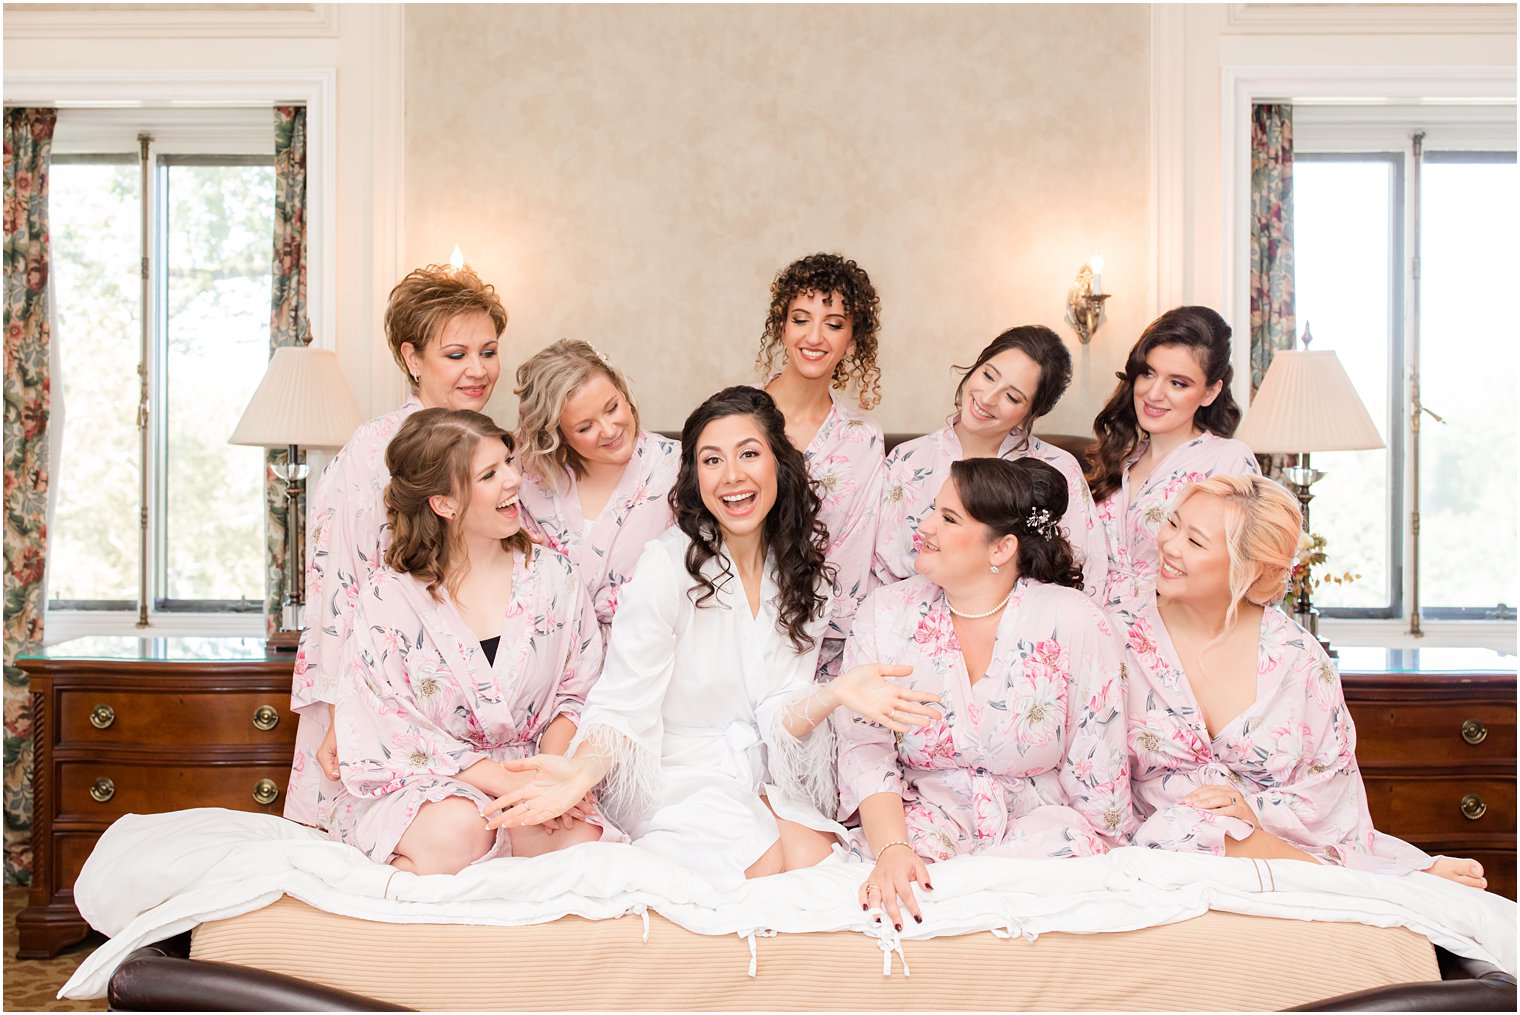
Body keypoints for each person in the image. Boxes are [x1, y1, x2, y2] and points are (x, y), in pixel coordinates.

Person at [482, 387, 938, 891]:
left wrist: (833, 694)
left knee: (818, 863)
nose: (733, 476)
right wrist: (579, 771)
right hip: (673, 771)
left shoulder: (806, 575)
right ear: (696, 478)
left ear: (778, 465)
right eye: (712, 460)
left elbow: (779, 711)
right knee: (757, 860)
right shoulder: (666, 565)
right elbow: (623, 702)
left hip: (756, 772)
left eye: (749, 454)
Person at [1115, 475, 1486, 889]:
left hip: (1274, 840)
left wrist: (1252, 813)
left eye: (1196, 542)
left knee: (1215, 832)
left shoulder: (1298, 659)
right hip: (1157, 843)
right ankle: (1362, 885)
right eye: (1173, 523)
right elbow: (1089, 766)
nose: (1169, 545)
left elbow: (1328, 790)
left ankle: (1352, 878)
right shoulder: (1115, 638)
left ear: (1249, 569)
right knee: (1184, 829)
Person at [839, 457, 1134, 930]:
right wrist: (893, 849)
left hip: (1040, 829)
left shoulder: (1074, 619)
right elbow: (865, 748)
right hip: (922, 820)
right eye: (933, 509)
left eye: (949, 518)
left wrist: (1103, 864)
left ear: (1002, 548)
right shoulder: (886, 614)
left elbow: (1097, 761)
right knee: (894, 899)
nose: (926, 524)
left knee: (1061, 885)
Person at [326, 409, 607, 873]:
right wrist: (500, 784)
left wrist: (548, 782)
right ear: (445, 503)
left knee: (584, 841)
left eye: (509, 463)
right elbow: (396, 727)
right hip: (430, 784)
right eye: (490, 474)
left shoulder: (556, 577)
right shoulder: (388, 598)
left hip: (531, 776)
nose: (514, 480)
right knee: (462, 829)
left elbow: (578, 694)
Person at [285, 265, 509, 830]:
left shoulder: (500, 452)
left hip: (477, 693)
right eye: (456, 354)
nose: (478, 370)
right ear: (413, 359)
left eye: (488, 351)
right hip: (388, 692)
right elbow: (339, 589)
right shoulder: (373, 452)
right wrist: (340, 712)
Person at [874, 325, 1106, 598]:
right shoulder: (907, 460)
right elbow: (880, 570)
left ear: (1032, 412)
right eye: (988, 375)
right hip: (912, 623)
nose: (987, 398)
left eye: (1012, 396)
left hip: (1022, 629)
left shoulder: (1059, 468)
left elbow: (1085, 572)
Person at [758, 253, 887, 676]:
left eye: (833, 324)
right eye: (801, 319)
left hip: (815, 638)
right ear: (782, 326)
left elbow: (850, 559)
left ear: (852, 341)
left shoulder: (862, 439)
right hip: (725, 619)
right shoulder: (736, 415)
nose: (814, 336)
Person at [1086, 306, 1260, 607]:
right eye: (1148, 373)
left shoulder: (1229, 461)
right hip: (1093, 634)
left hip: (1174, 638)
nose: (1153, 394)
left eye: (1177, 383)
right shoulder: (1119, 459)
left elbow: (1242, 577)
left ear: (1210, 392)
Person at [513, 340, 679, 649]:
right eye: (585, 427)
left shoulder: (680, 468)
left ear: (623, 391)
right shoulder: (525, 482)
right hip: (551, 661)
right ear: (557, 434)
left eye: (612, 408)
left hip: (650, 658)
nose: (609, 430)